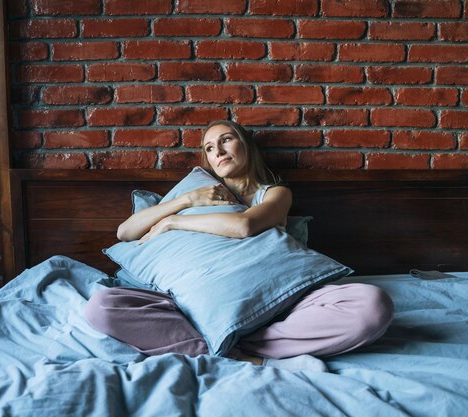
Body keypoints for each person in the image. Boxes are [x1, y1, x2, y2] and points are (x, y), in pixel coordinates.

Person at [85, 120, 394, 371]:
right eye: (209, 148)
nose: (218, 150)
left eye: (226, 140)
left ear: (246, 146)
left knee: (371, 305)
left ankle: (231, 348)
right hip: (193, 304)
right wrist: (186, 202)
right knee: (102, 306)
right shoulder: (194, 197)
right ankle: (231, 353)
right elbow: (125, 232)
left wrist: (174, 222)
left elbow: (244, 225)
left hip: (274, 303)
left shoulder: (274, 194)